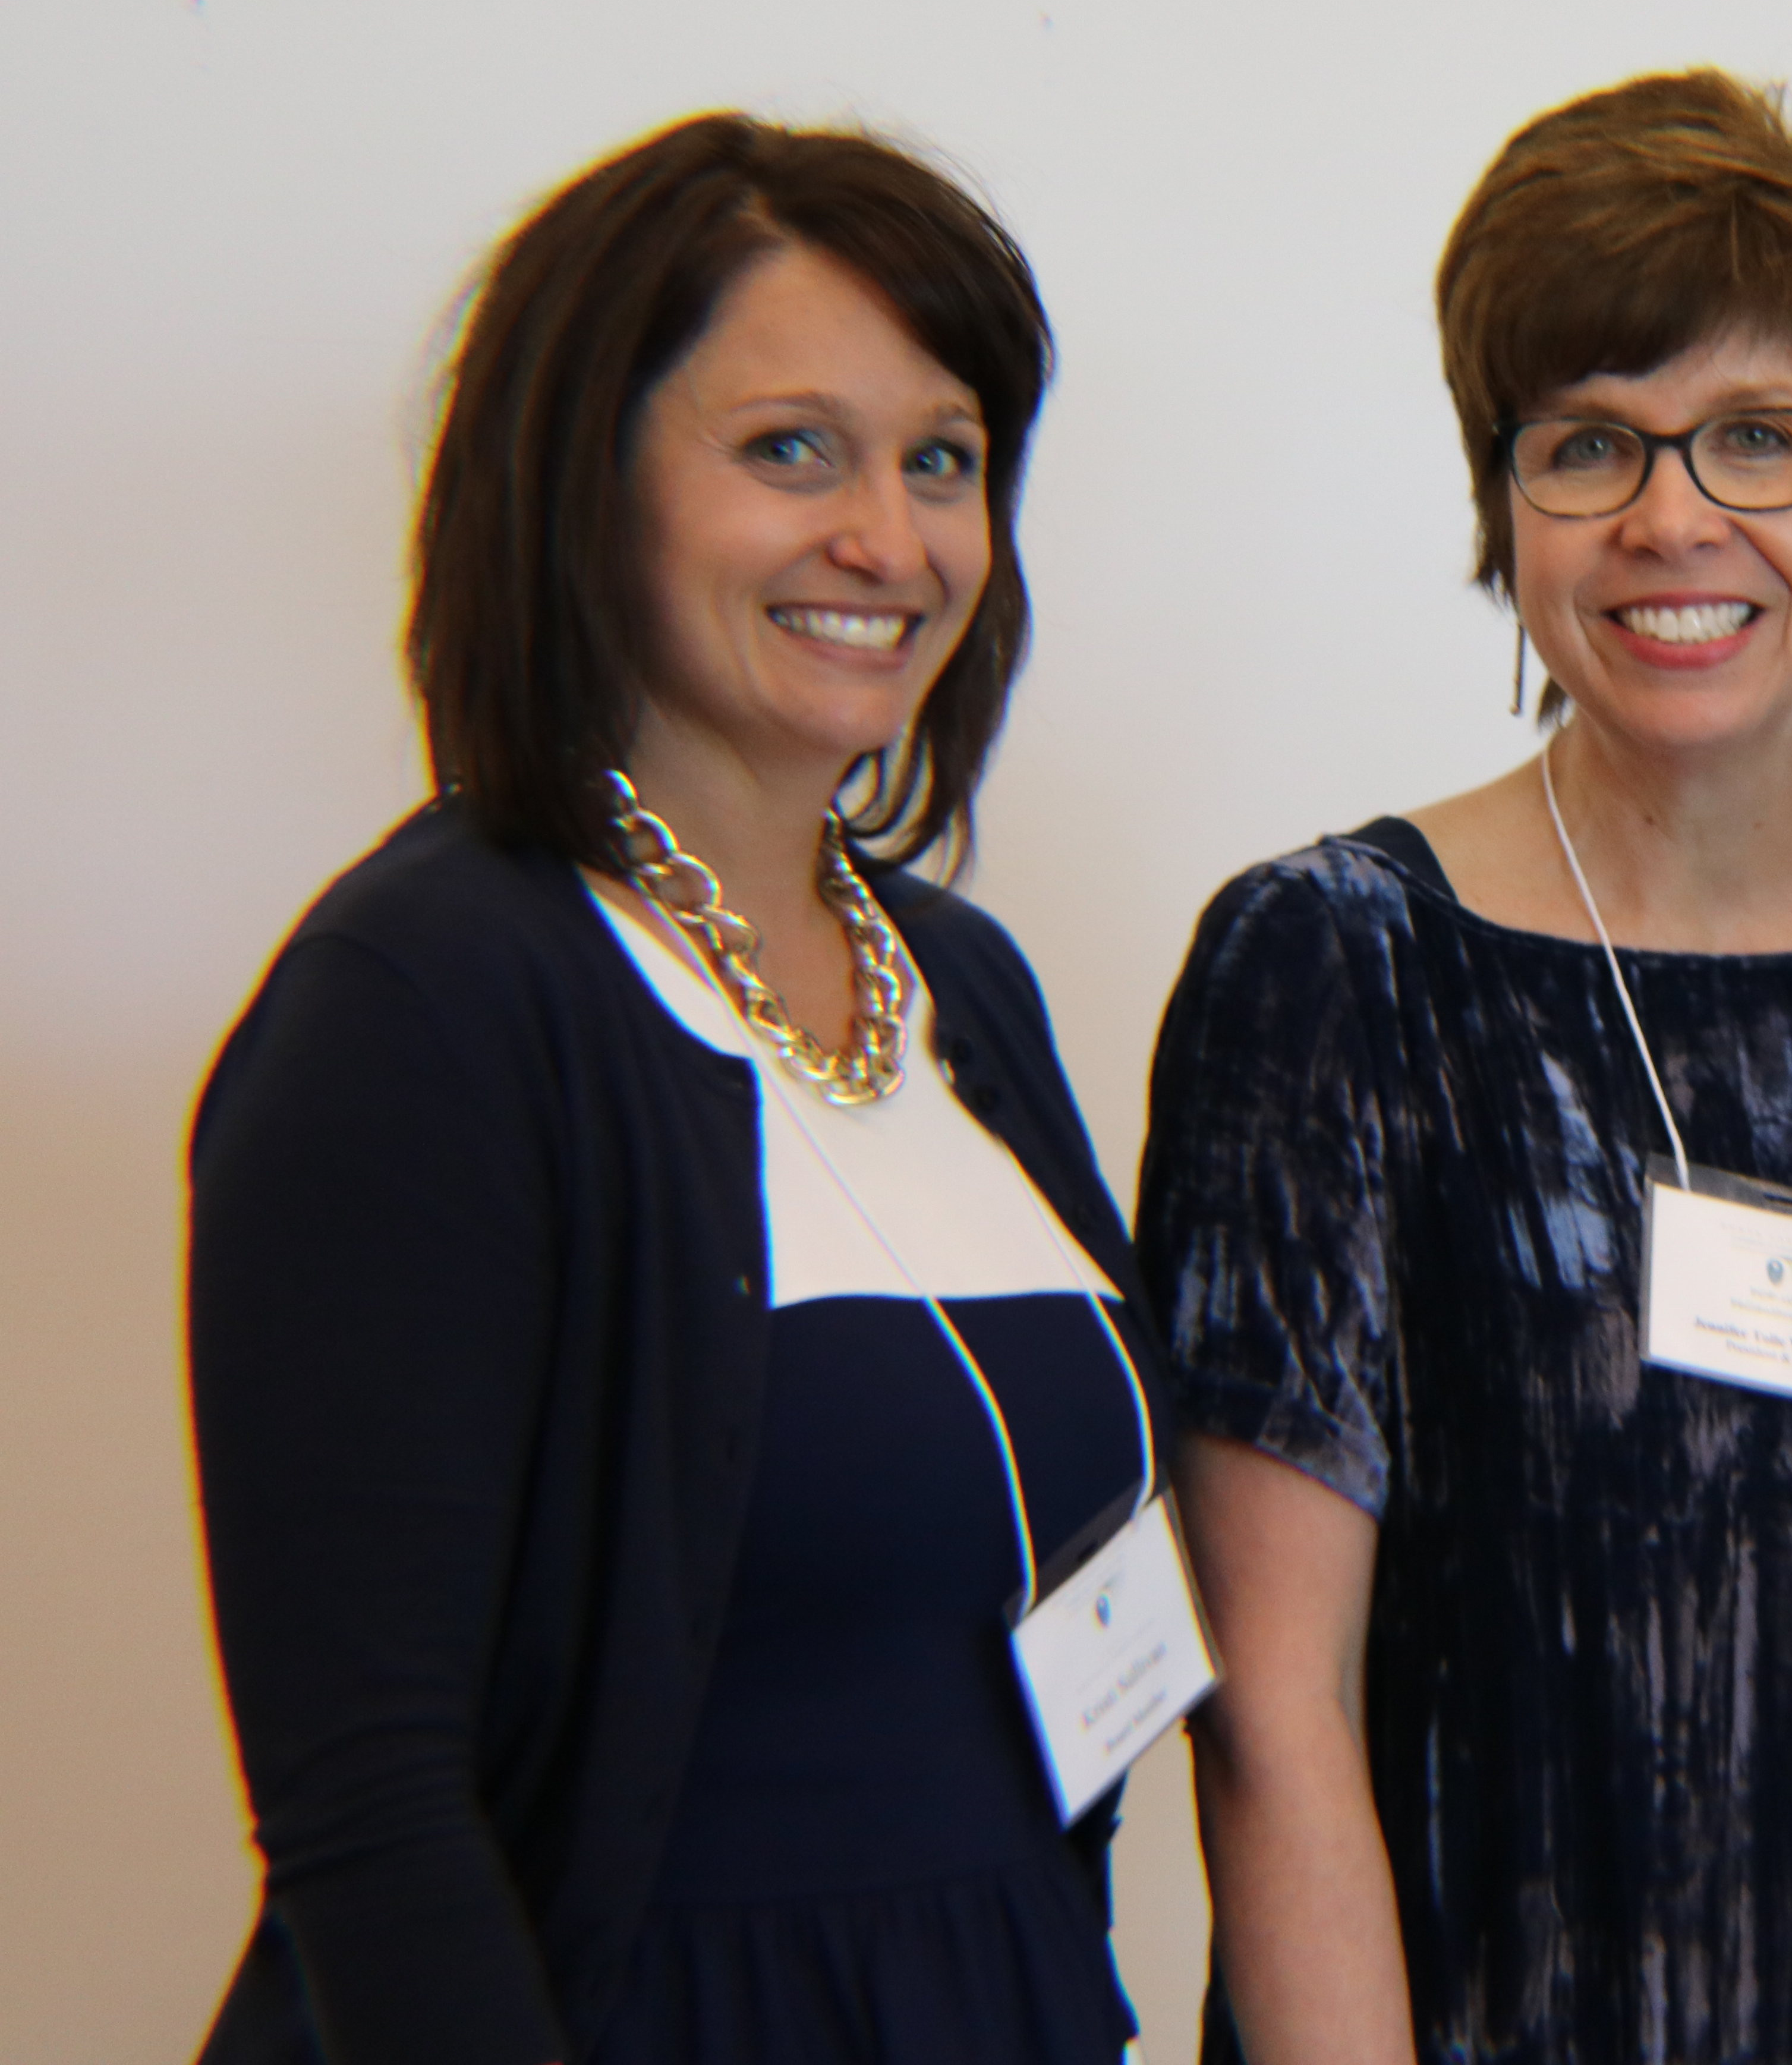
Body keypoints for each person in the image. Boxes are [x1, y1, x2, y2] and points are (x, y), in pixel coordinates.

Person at [1142, 70, 1792, 2065]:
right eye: (1592, 444)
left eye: (1761, 440)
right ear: (1506, 508)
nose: (1675, 517)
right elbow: (1273, 1711)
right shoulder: (1342, 967)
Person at [190, 115, 1170, 2065]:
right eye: (788, 447)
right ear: (584, 485)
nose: (888, 541)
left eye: (943, 461)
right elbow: (370, 1806)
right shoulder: (433, 998)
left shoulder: (960, 985)